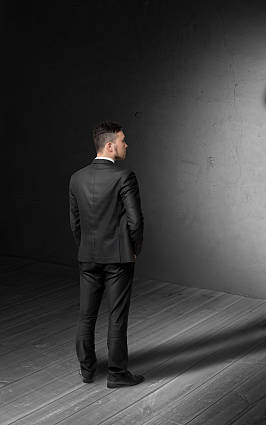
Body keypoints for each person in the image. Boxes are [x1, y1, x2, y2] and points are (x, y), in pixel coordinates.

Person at [69, 121, 145, 388]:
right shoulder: (124, 177)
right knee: (117, 315)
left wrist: (86, 249)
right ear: (110, 145)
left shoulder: (76, 178)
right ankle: (116, 373)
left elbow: (75, 223)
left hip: (87, 256)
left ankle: (87, 370)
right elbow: (135, 221)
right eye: (123, 140)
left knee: (86, 315)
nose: (127, 144)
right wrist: (133, 250)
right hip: (118, 257)